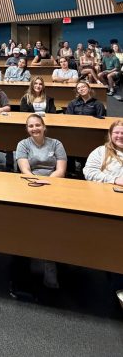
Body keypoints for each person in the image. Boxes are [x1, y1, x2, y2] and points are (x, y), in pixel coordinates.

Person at [14, 114, 67, 288]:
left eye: (38, 125)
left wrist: (48, 183)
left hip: (53, 184)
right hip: (30, 184)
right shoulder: (23, 144)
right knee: (27, 222)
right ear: (27, 129)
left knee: (51, 224)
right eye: (31, 126)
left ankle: (50, 262)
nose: (34, 129)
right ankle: (27, 256)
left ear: (44, 127)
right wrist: (36, 183)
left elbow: (60, 170)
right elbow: (25, 169)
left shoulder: (56, 143)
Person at [83, 120, 123, 308]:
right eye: (116, 133)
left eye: (122, 133)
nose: (120, 136)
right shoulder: (100, 152)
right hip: (106, 201)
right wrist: (114, 179)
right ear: (110, 135)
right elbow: (88, 172)